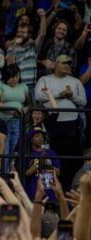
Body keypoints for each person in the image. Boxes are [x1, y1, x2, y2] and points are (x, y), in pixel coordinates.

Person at [35, 54, 87, 190]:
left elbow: (84, 101)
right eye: (64, 63)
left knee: (69, 162)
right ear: (55, 64)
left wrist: (71, 95)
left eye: (69, 64)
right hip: (50, 126)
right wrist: (60, 94)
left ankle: (66, 191)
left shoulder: (75, 81)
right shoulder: (45, 79)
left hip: (71, 126)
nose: (67, 66)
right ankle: (47, 192)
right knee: (49, 159)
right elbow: (38, 95)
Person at [0, 64, 30, 157]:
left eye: (16, 76)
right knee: (5, 150)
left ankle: (13, 171)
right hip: (3, 121)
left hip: (19, 122)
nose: (14, 79)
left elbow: (29, 104)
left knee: (16, 150)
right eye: (11, 77)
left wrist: (25, 109)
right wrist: (12, 111)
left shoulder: (23, 86)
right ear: (6, 76)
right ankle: (5, 171)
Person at [6, 9, 46, 90]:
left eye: (23, 32)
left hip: (31, 86)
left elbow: (42, 34)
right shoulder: (11, 48)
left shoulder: (34, 47)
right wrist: (14, 46)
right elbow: (10, 66)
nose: (20, 34)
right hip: (17, 86)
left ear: (29, 34)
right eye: (18, 32)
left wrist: (42, 17)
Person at [25, 127, 60, 200]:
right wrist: (40, 162)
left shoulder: (51, 152)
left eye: (42, 136)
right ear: (31, 139)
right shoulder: (28, 154)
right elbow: (26, 174)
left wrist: (47, 165)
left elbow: (58, 172)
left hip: (49, 193)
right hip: (33, 193)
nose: (40, 138)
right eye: (37, 136)